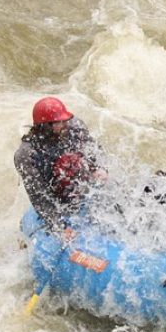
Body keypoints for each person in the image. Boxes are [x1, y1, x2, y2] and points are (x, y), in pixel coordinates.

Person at [14, 97, 104, 231]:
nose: (65, 125)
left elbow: (93, 148)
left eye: (64, 120)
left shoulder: (74, 126)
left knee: (74, 162)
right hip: (56, 196)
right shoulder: (26, 154)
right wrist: (60, 227)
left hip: (81, 187)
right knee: (64, 165)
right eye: (59, 123)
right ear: (45, 126)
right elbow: (38, 195)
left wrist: (97, 168)